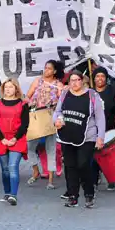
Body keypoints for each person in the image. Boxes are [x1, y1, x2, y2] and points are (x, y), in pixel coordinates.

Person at [53, 70, 105, 208]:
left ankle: (89, 192)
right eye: (72, 81)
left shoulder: (92, 95)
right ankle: (73, 195)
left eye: (77, 80)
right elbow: (58, 111)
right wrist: (57, 120)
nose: (74, 83)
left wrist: (100, 137)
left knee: (82, 164)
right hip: (67, 135)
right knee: (70, 166)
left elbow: (100, 117)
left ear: (82, 81)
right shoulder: (64, 94)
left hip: (87, 136)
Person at [25, 59, 65, 189]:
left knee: (51, 148)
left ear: (54, 71)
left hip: (49, 117)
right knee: (29, 146)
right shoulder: (38, 81)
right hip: (36, 117)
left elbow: (61, 102)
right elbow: (28, 96)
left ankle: (51, 180)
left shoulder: (58, 84)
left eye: (49, 68)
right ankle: (36, 170)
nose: (46, 70)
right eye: (45, 67)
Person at [0, 78, 30, 206]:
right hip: (1, 138)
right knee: (5, 169)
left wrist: (14, 138)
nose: (8, 89)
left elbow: (25, 124)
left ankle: (13, 195)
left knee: (13, 166)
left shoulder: (23, 104)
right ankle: (7, 192)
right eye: (6, 87)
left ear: (16, 89)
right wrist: (2, 139)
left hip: (17, 138)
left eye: (11, 87)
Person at [92, 67, 115, 191]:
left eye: (102, 76)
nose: (100, 79)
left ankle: (111, 179)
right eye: (97, 76)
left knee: (108, 154)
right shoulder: (90, 92)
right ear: (94, 78)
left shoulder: (113, 91)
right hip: (93, 128)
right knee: (94, 154)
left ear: (106, 78)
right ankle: (94, 180)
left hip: (109, 126)